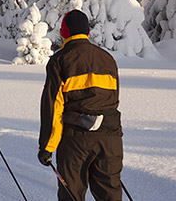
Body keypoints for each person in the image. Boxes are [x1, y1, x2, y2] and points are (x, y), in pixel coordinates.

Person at [38, 10, 124, 201]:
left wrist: (47, 146)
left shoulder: (59, 60)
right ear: (88, 32)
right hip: (110, 139)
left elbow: (53, 108)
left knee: (72, 194)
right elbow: (113, 100)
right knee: (110, 194)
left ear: (64, 33)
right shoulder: (108, 59)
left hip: (76, 140)